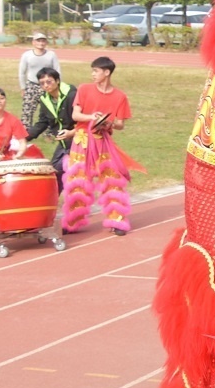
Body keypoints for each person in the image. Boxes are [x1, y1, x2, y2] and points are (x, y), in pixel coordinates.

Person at [62, 57, 134, 236]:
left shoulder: (120, 96)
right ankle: (73, 220)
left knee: (111, 178)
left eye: (96, 71)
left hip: (103, 140)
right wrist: (93, 117)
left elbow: (120, 124)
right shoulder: (84, 89)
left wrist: (107, 122)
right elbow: (76, 115)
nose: (92, 74)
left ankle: (117, 220)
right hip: (82, 139)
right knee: (78, 179)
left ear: (106, 72)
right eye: (92, 71)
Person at [24, 67, 76, 192]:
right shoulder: (45, 99)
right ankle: (51, 203)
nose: (46, 85)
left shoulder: (72, 95)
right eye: (42, 83)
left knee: (75, 174)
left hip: (80, 141)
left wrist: (72, 133)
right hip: (64, 143)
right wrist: (23, 138)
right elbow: (42, 122)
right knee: (54, 172)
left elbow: (84, 121)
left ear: (57, 81)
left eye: (49, 81)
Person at [18, 32, 60, 127]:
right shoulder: (27, 55)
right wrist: (23, 88)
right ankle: (25, 132)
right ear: (33, 42)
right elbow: (22, 72)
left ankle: (50, 132)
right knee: (27, 111)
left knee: (50, 110)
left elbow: (57, 71)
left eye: (43, 40)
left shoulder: (51, 55)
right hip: (32, 85)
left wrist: (57, 86)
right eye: (38, 40)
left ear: (46, 42)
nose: (41, 43)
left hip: (48, 86)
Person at [0, 88, 30, 159]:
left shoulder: (13, 120)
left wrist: (18, 155)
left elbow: (22, 142)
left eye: (2, 98)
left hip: (3, 157)